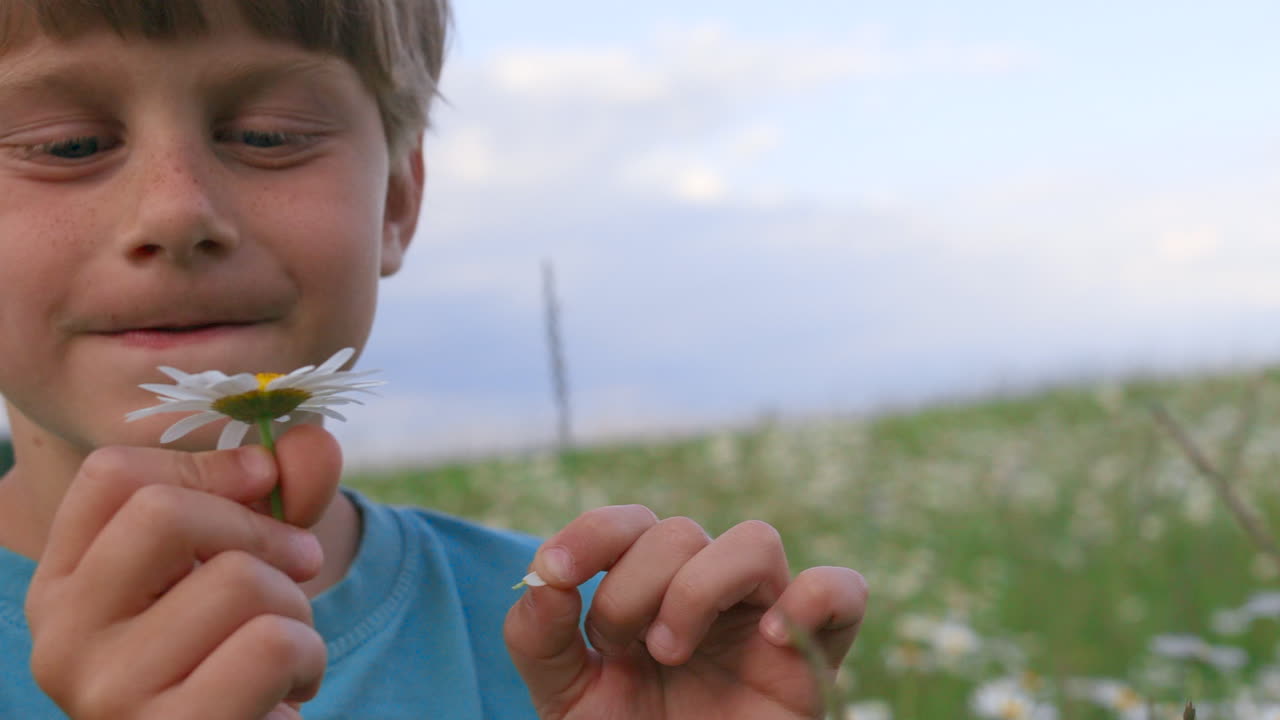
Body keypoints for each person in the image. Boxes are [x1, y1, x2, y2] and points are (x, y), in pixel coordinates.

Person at [0, 1, 869, 718]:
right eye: (66, 145)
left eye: (268, 135)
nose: (177, 211)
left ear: (398, 203)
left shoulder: (587, 633)